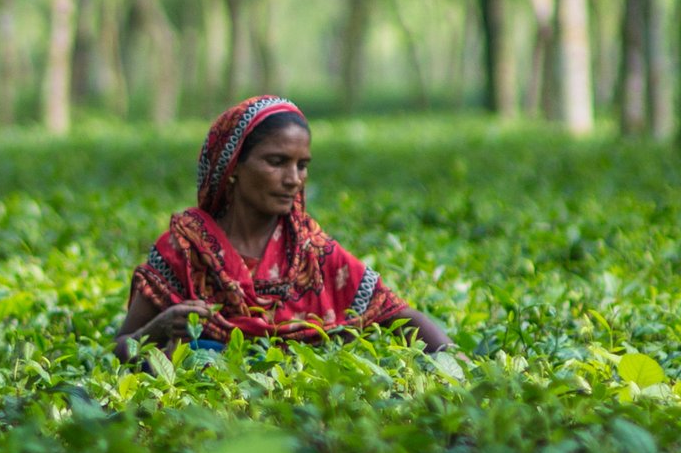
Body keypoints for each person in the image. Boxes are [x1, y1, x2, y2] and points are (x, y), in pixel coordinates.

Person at [113, 95, 459, 365]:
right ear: (234, 167)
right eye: (276, 162)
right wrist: (155, 331)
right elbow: (119, 349)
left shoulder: (312, 250)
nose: (294, 180)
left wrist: (459, 366)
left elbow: (398, 314)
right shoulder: (185, 249)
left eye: (302, 165)